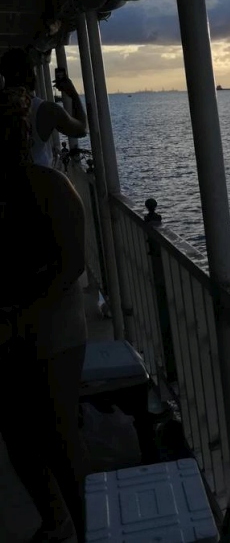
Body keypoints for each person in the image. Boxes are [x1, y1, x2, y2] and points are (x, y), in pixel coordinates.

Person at [0, 85, 88, 542]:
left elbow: (74, 263)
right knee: (16, 432)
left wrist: (23, 314)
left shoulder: (51, 187)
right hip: (12, 328)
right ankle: (56, 519)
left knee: (57, 432)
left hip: (55, 327)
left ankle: (87, 523)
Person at [0, 48, 87, 167]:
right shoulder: (47, 110)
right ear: (29, 73)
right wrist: (73, 94)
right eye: (34, 70)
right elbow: (80, 130)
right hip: (36, 182)